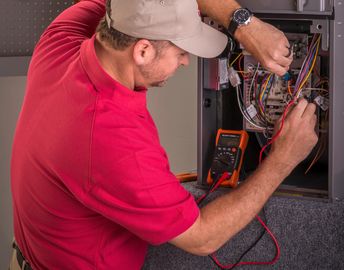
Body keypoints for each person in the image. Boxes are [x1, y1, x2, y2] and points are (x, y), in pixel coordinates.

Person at [10, 0, 317, 269]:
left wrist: (245, 25)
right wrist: (284, 158)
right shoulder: (114, 140)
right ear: (142, 50)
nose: (186, 62)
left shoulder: (63, 35)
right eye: (181, 51)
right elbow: (202, 237)